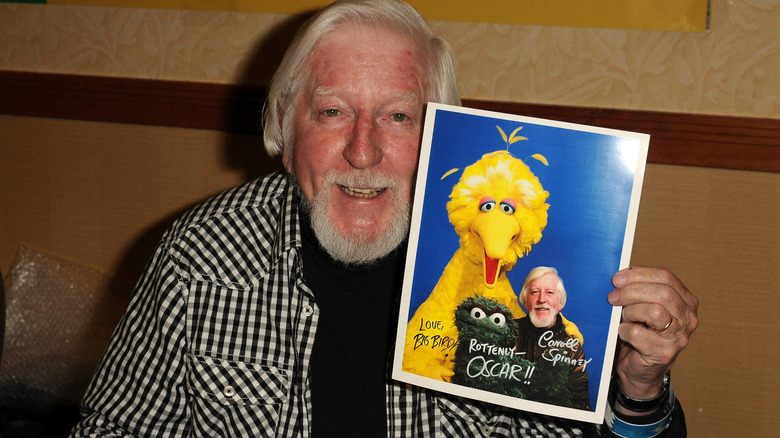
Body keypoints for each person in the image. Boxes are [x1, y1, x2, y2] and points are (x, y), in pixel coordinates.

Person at [70, 0, 699, 437]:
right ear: (285, 130)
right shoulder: (201, 255)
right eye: (333, 112)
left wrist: (637, 387)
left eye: (399, 116)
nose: (363, 152)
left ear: (445, 135)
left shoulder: (521, 278)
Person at [515, 267, 590, 410]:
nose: (541, 299)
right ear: (525, 300)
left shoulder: (571, 347)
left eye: (549, 292)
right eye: (535, 292)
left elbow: (581, 404)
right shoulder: (506, 332)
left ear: (560, 303)